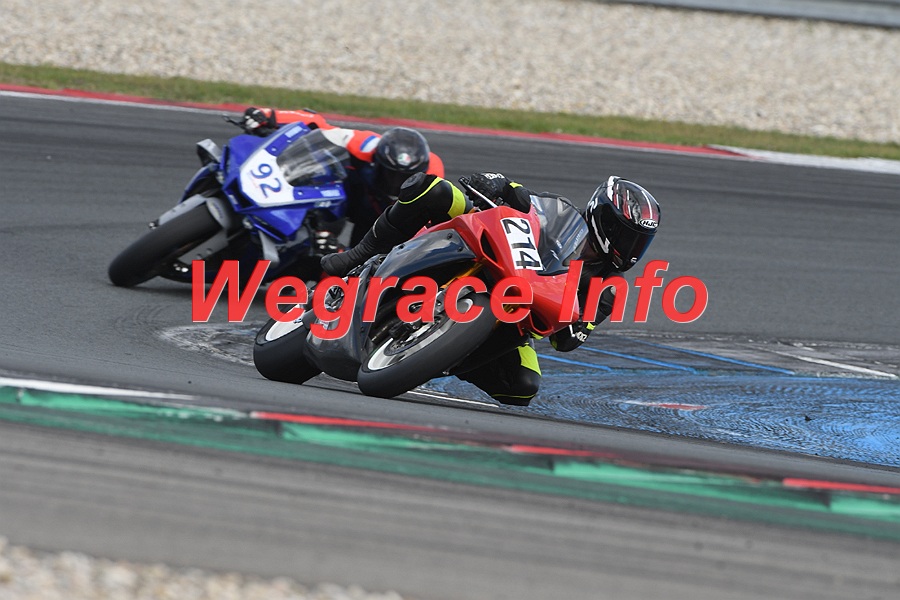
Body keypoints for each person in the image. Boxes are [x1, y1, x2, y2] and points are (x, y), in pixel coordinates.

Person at [320, 171, 661, 405]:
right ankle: (360, 255)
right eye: (627, 236)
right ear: (605, 220)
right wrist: (497, 185)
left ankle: (439, 355)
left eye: (640, 242)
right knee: (434, 190)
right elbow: (516, 197)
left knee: (523, 386)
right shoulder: (559, 213)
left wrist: (578, 318)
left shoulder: (608, 286)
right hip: (483, 251)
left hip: (512, 316)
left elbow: (566, 342)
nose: (632, 249)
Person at [239, 106, 445, 247]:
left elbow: (428, 228)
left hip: (382, 219)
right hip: (349, 195)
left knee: (355, 266)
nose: (394, 183)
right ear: (376, 161)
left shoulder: (433, 180)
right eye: (390, 174)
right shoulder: (365, 144)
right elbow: (317, 124)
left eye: (404, 178)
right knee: (326, 179)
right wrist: (268, 115)